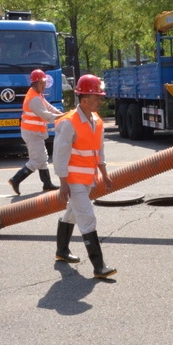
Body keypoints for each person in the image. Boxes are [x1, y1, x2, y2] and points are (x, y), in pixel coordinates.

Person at [52, 74, 116, 278]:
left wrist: (104, 174)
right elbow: (60, 156)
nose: (100, 101)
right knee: (87, 218)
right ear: (84, 99)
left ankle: (62, 251)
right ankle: (99, 266)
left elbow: (99, 151)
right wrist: (63, 184)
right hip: (73, 180)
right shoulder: (68, 123)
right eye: (97, 97)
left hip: (88, 179)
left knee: (72, 213)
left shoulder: (97, 121)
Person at [8, 69, 64, 195]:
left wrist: (62, 114)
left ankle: (47, 184)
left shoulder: (37, 95)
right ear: (35, 83)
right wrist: (63, 117)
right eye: (41, 83)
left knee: (42, 158)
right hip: (32, 133)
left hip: (35, 132)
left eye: (44, 83)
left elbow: (49, 107)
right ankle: (16, 179)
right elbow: (47, 116)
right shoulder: (34, 99)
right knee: (36, 160)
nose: (44, 86)